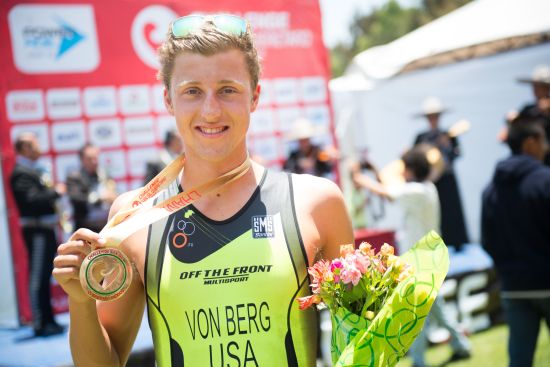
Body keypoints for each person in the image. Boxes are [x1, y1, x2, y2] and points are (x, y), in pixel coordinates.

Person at [53, 13, 353, 366]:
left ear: (254, 97)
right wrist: (82, 303)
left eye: (228, 89)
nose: (210, 111)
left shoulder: (316, 203)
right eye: (192, 91)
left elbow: (360, 343)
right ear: (168, 100)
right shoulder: (134, 217)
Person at [351, 146, 471, 367]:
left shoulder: (418, 191)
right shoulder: (424, 189)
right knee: (432, 309)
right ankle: (459, 345)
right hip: (424, 259)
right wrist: (374, 170)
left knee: (415, 314)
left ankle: (421, 360)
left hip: (420, 261)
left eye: (405, 168)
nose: (402, 172)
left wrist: (360, 178)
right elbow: (390, 190)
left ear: (412, 169)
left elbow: (386, 192)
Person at [481, 116, 550, 367]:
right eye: (543, 140)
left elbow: (487, 241)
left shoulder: (490, 190)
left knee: (519, 361)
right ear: (530, 142)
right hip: (546, 280)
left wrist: (508, 269)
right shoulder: (545, 181)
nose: (545, 147)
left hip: (513, 286)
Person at [10, 132, 66, 337]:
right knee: (38, 277)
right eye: (34, 144)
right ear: (24, 148)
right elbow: (31, 201)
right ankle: (40, 323)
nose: (38, 147)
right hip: (37, 231)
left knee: (44, 276)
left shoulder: (32, 170)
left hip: (46, 229)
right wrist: (55, 192)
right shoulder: (20, 173)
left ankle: (49, 320)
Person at [413, 97, 469, 250]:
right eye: (430, 117)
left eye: (435, 116)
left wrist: (447, 149)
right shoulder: (421, 137)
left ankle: (457, 243)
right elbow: (416, 158)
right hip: (431, 182)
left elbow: (456, 154)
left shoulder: (449, 134)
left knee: (452, 210)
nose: (433, 119)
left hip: (447, 179)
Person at [66, 143, 118, 233]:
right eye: (90, 159)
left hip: (105, 228)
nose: (94, 162)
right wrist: (99, 198)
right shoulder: (74, 177)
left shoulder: (105, 174)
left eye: (96, 158)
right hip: (85, 228)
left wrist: (114, 198)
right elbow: (76, 199)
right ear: (82, 160)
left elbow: (114, 194)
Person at [516, 64, 550, 165]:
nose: (534, 89)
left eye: (539, 86)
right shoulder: (528, 109)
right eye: (534, 85)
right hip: (534, 162)